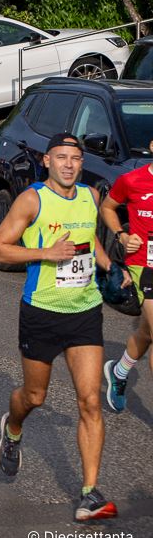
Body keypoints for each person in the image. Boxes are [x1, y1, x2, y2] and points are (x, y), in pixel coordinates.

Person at [0, 133, 118, 522]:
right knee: (34, 397)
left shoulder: (90, 197)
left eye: (75, 158)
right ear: (47, 161)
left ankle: (89, 492)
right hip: (42, 312)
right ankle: (12, 429)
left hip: (84, 311)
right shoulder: (32, 199)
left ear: (81, 163)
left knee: (90, 401)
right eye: (61, 157)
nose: (68, 164)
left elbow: (89, 237)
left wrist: (110, 266)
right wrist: (45, 252)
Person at [99, 143, 153, 413]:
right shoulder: (132, 180)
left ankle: (119, 372)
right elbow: (108, 207)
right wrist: (122, 235)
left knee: (147, 331)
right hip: (146, 265)